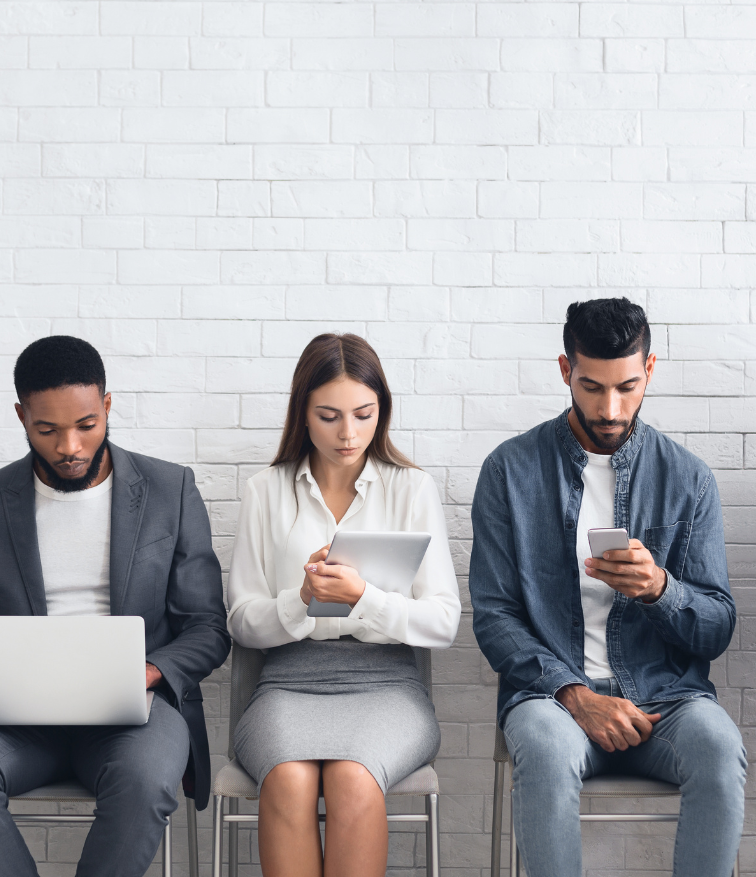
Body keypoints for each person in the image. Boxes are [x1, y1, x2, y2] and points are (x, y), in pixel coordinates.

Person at [0, 335, 230, 877]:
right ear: (21, 416)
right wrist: (4, 680)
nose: (70, 446)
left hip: (133, 714)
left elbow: (206, 627)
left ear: (107, 406)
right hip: (19, 721)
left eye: (86, 425)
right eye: (48, 429)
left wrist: (150, 671)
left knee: (145, 778)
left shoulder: (168, 489)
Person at [470, 297, 746, 877]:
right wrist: (576, 695)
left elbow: (717, 626)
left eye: (626, 386)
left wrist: (660, 589)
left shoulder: (687, 477)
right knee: (544, 751)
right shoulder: (509, 470)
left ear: (649, 370)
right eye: (592, 387)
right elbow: (495, 617)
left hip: (666, 699)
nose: (610, 408)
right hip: (554, 700)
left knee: (720, 752)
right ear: (566, 370)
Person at [226, 333, 461, 877]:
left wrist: (365, 599)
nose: (349, 433)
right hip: (288, 682)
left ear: (383, 411)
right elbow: (241, 621)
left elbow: (443, 622)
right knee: (287, 777)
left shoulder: (411, 489)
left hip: (388, 687)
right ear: (302, 415)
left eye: (364, 414)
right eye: (329, 416)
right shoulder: (266, 490)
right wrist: (301, 601)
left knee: (355, 776)